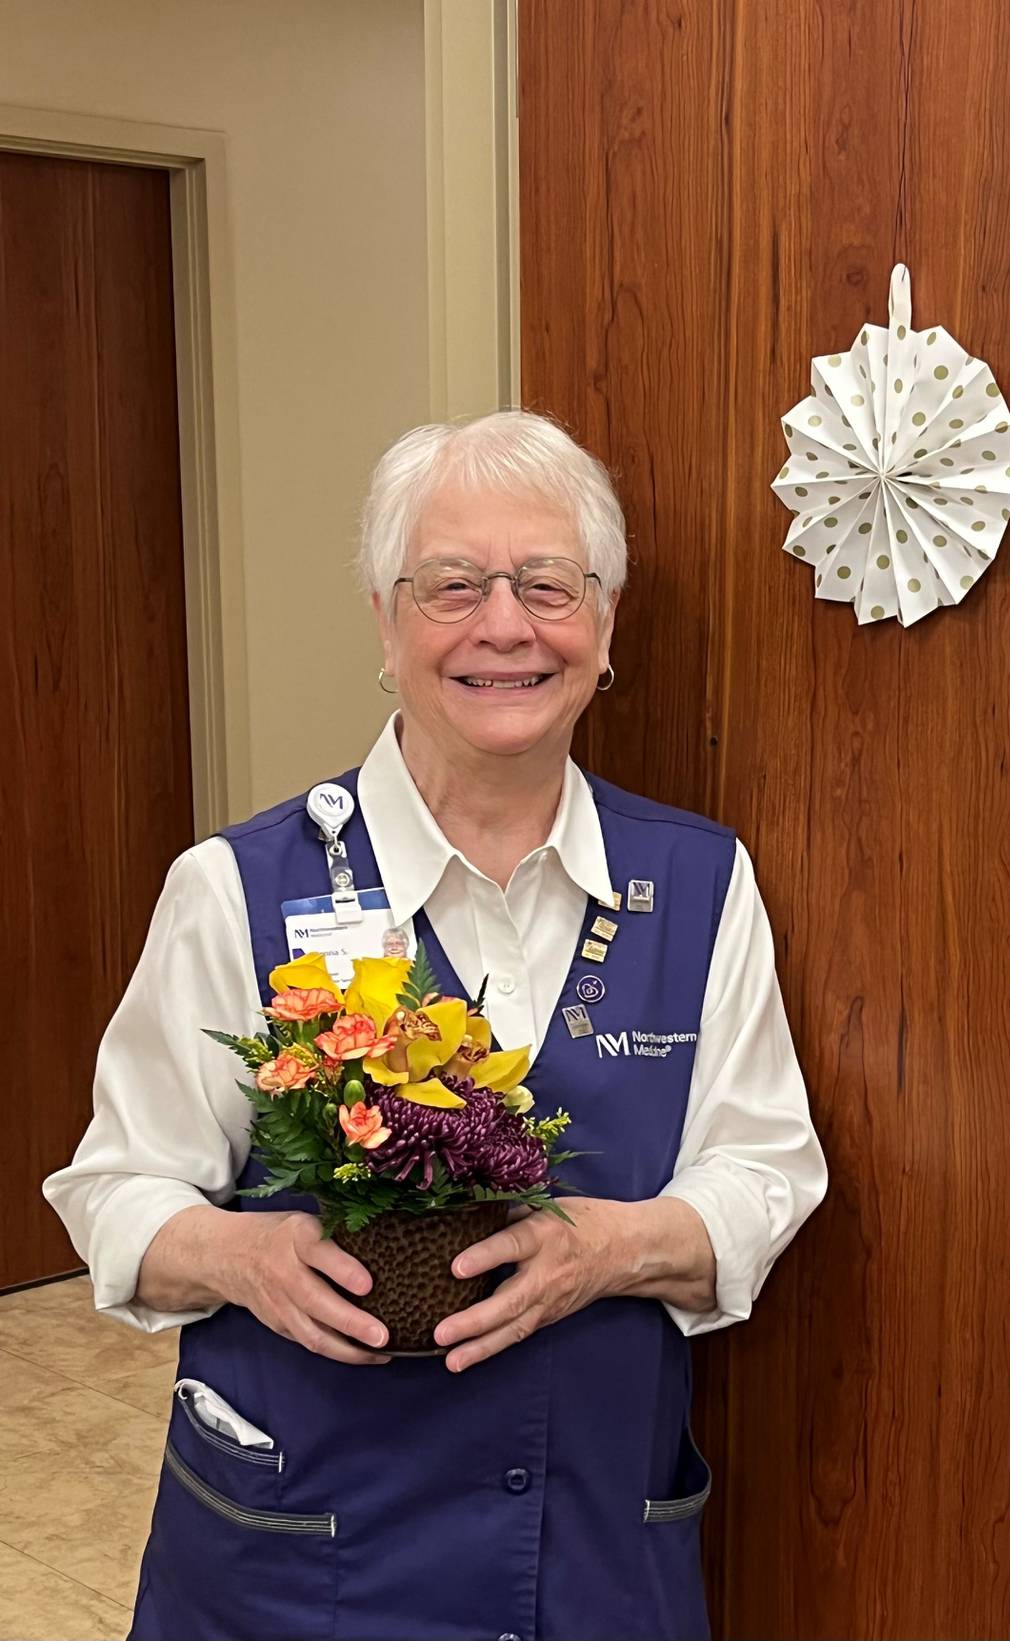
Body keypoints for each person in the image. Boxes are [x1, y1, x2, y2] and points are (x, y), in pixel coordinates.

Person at [45, 411, 827, 1641]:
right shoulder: (237, 887)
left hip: (591, 1550)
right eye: (453, 586)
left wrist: (609, 1250)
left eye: (548, 586)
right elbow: (117, 1191)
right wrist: (245, 1258)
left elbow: (767, 1168)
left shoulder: (699, 882)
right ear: (385, 617)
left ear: (607, 620)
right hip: (301, 1558)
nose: (504, 626)